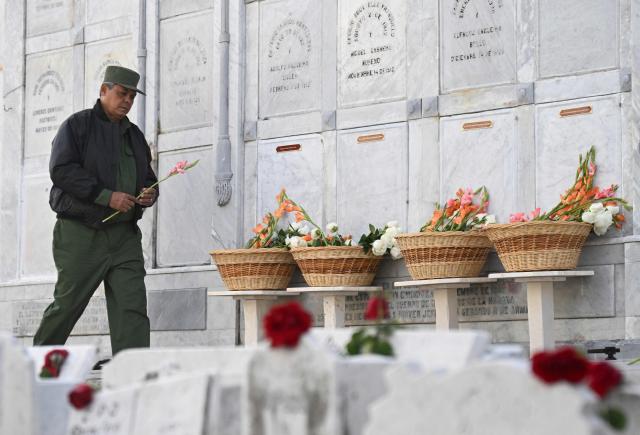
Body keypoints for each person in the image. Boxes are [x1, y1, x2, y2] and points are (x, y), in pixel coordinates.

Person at [33, 65, 158, 356]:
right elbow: (61, 170)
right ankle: (37, 370)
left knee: (133, 308)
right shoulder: (77, 126)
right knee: (67, 305)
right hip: (81, 234)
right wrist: (105, 197)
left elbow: (147, 175)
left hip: (125, 237)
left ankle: (133, 379)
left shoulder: (135, 136)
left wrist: (151, 192)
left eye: (131, 96)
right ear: (103, 91)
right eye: (121, 93)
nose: (127, 100)